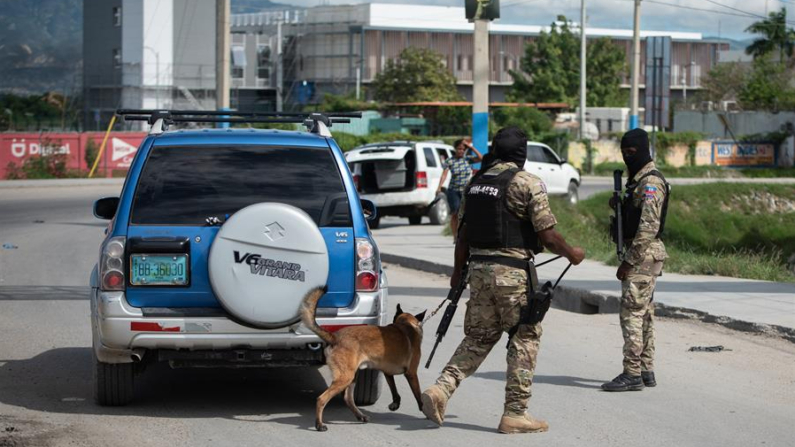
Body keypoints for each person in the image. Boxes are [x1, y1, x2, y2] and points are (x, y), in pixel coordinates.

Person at [421, 126, 585, 434]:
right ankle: (515, 413)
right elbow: (547, 235)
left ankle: (441, 389)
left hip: (478, 273)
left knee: (478, 337)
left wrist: (458, 275)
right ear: (521, 154)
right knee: (524, 338)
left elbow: (463, 237)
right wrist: (572, 253)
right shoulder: (527, 183)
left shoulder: (475, 183)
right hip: (512, 274)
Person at [602, 128, 669, 392]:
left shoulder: (650, 182)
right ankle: (645, 369)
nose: (629, 156)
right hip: (644, 254)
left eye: (633, 152)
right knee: (645, 314)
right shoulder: (637, 181)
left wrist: (629, 261)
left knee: (631, 314)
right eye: (625, 152)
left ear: (643, 149)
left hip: (642, 254)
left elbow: (648, 228)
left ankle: (631, 372)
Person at [437, 138, 482, 238]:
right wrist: (439, 187)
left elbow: (481, 158)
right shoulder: (450, 161)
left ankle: (466, 233)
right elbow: (444, 174)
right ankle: (455, 235)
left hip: (466, 191)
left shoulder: (468, 159)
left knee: (467, 213)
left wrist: (471, 147)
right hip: (453, 190)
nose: (461, 151)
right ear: (455, 149)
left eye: (462, 149)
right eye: (459, 149)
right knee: (455, 213)